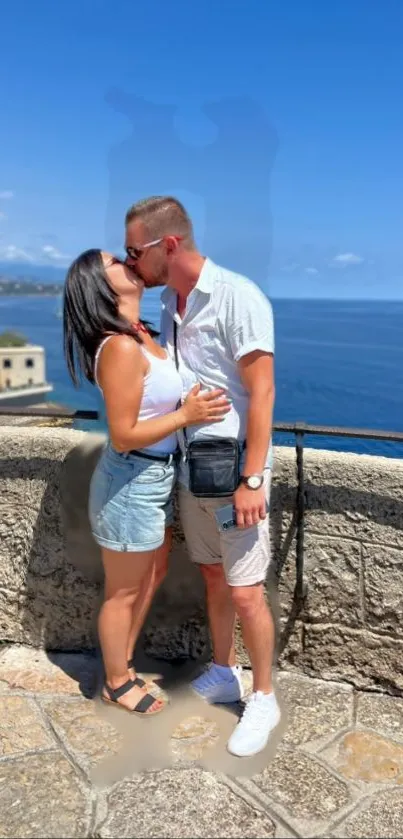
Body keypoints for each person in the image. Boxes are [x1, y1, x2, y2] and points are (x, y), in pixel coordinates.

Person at [124, 196, 280, 756]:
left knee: (246, 592)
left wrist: (254, 479)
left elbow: (261, 391)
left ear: (167, 245)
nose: (131, 262)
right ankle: (223, 669)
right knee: (215, 578)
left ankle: (262, 696)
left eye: (134, 251)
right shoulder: (169, 302)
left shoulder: (237, 298)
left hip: (236, 470)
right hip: (195, 468)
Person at [63, 249, 230, 716]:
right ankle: (116, 682)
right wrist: (187, 414)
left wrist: (188, 404)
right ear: (101, 283)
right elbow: (123, 432)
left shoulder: (141, 335)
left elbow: (155, 400)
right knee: (124, 591)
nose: (125, 260)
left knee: (149, 578)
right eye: (114, 260)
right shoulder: (117, 347)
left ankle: (124, 665)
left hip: (156, 473)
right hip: (132, 478)